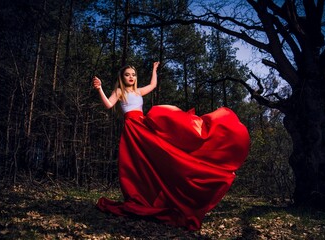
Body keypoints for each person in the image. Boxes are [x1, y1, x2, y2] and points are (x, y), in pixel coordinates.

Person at [93, 62, 250, 230]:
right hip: (132, 129)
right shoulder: (119, 92)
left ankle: (167, 189)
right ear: (122, 77)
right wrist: (99, 88)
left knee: (164, 151)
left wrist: (154, 69)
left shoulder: (138, 91)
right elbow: (109, 105)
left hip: (143, 126)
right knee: (136, 165)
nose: (131, 77)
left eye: (134, 74)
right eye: (127, 74)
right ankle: (139, 196)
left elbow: (153, 85)